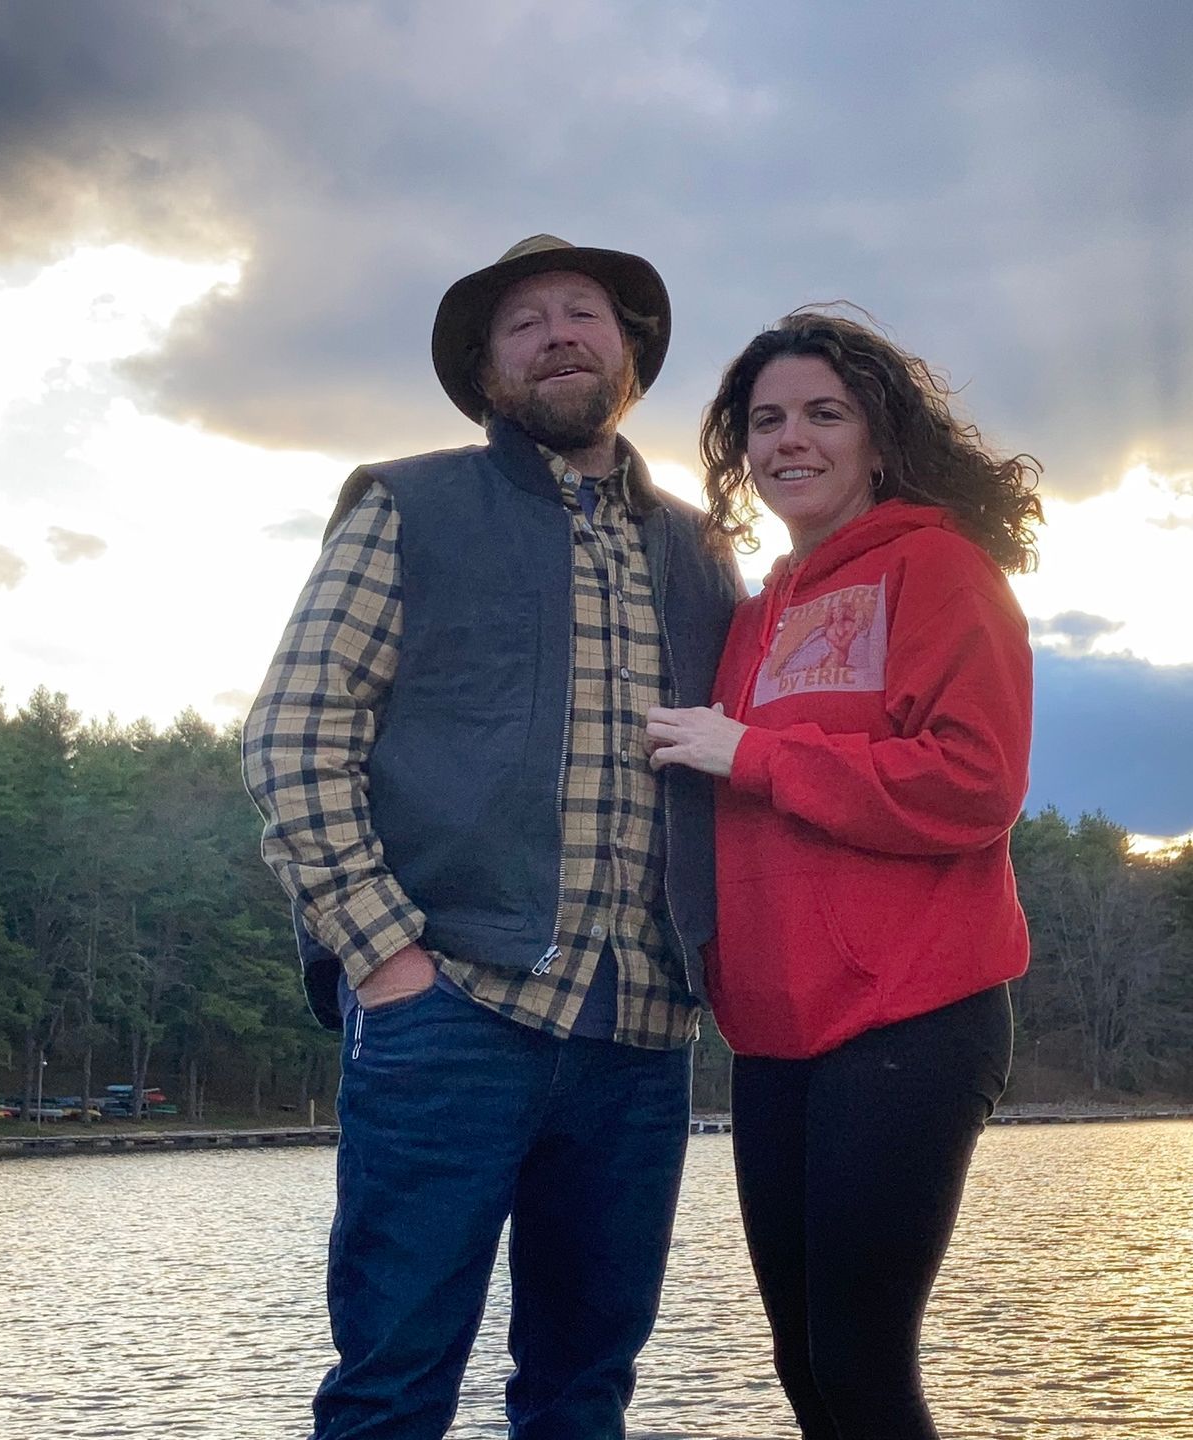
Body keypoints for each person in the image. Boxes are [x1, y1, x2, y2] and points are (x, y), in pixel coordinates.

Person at [242, 234, 741, 1440]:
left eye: (585, 313)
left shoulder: (703, 550)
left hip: (640, 1035)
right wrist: (391, 966)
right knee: (392, 1387)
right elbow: (292, 740)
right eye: (524, 323)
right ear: (485, 372)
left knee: (584, 1393)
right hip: (451, 1014)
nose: (559, 332)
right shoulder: (406, 507)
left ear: (631, 356)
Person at [646, 308, 1042, 1439]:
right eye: (765, 421)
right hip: (775, 1038)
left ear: (880, 436)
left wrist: (757, 754)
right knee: (806, 1364)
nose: (791, 441)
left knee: (863, 1365)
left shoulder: (941, 567)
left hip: (912, 1018)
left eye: (825, 413)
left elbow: (973, 784)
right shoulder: (756, 611)